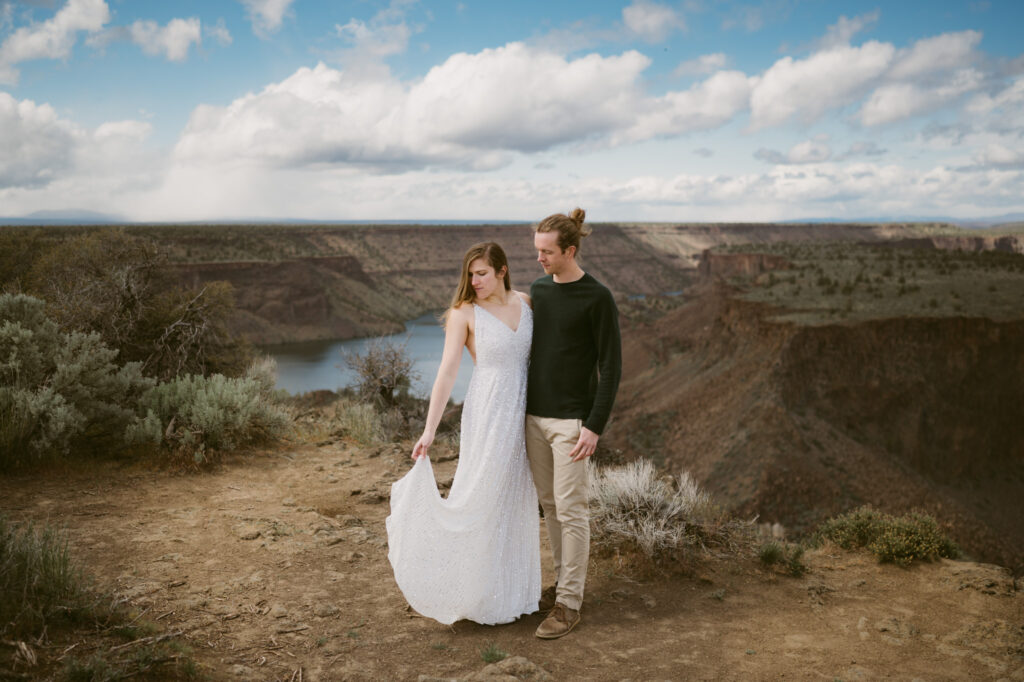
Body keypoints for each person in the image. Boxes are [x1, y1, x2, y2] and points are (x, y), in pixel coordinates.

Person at [385, 242, 541, 625]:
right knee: (481, 496)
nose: (475, 281)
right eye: (470, 274)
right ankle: (469, 592)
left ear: (502, 271)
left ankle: (510, 594)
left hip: (526, 411)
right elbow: (447, 372)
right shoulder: (464, 313)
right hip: (489, 412)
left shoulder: (526, 301)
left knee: (515, 498)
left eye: (482, 273)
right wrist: (429, 431)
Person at [526, 207, 621, 639]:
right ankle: (563, 586)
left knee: (572, 510)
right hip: (533, 418)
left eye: (547, 252)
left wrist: (593, 425)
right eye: (537, 251)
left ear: (570, 250)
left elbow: (611, 366)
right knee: (550, 506)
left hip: (571, 422)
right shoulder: (539, 291)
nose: (540, 259)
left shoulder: (597, 297)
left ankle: (569, 604)